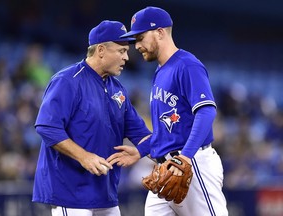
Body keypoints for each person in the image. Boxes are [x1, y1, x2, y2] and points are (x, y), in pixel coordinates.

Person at [107, 6, 228, 216]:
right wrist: (141, 151)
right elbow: (167, 131)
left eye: (140, 37)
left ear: (160, 32)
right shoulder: (161, 71)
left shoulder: (187, 65)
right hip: (166, 169)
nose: (137, 45)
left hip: (192, 164)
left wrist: (186, 158)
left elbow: (206, 112)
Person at [32, 20, 152, 216]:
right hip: (70, 193)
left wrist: (159, 155)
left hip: (106, 194)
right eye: (121, 51)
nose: (127, 58)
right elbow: (47, 127)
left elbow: (141, 134)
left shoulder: (118, 89)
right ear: (101, 50)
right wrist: (84, 157)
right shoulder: (67, 80)